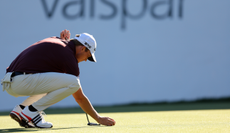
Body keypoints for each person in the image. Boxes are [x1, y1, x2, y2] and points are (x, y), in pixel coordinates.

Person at [1, 29, 116, 128]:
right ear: (82, 48)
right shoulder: (68, 55)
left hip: (10, 81)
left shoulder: (58, 42)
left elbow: (52, 68)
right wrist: (98, 118)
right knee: (74, 83)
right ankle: (31, 112)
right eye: (88, 56)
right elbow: (79, 97)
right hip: (22, 80)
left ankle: (21, 109)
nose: (86, 60)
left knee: (57, 84)